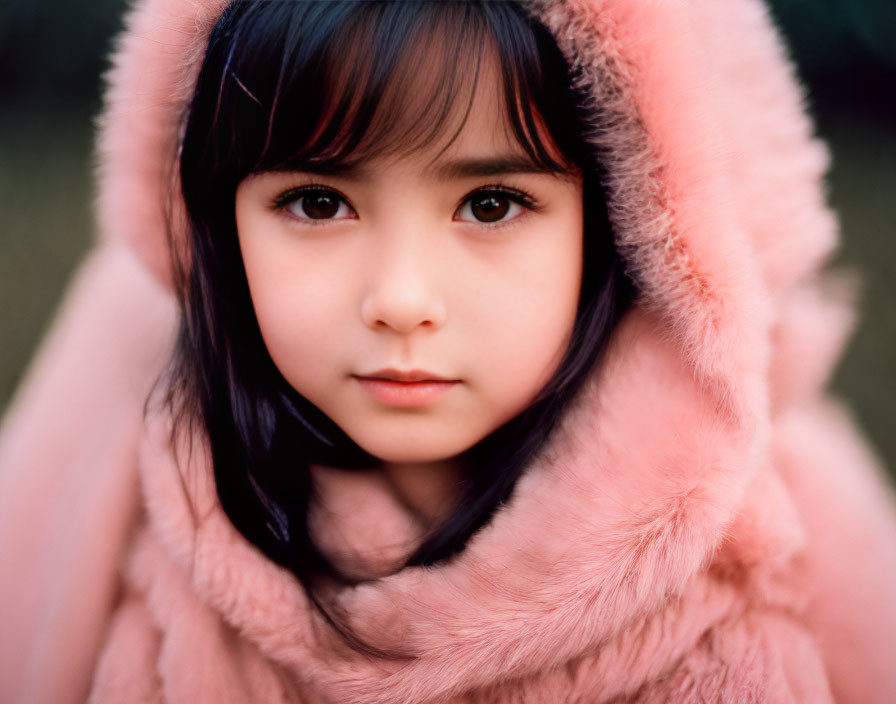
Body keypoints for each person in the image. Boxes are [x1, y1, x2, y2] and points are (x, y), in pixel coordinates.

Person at [1, 0, 895, 702]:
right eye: (317, 202)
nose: (400, 300)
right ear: (217, 223)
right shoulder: (139, 532)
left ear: (633, 228)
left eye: (492, 204)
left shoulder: (735, 617)